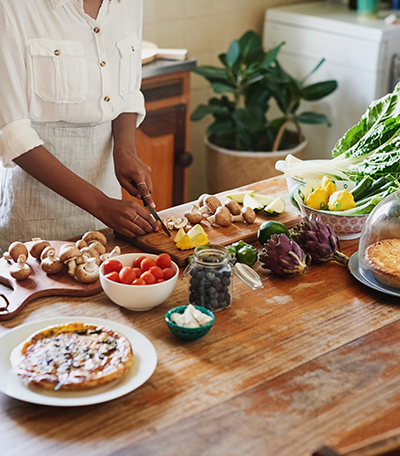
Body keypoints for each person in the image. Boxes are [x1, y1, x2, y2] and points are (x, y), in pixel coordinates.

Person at [0, 0, 159, 255]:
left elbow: (127, 93)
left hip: (107, 198)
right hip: (37, 208)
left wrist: (125, 151)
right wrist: (100, 204)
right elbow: (12, 132)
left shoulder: (129, 3)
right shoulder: (14, 7)